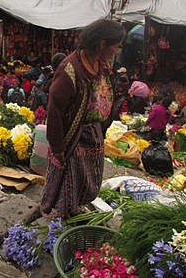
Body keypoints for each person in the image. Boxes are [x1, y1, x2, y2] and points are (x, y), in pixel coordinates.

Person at [41, 19, 125, 218]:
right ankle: (63, 216)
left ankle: (75, 207)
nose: (117, 50)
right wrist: (58, 147)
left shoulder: (101, 63)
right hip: (73, 137)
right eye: (116, 45)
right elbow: (54, 111)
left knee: (87, 178)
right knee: (69, 178)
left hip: (93, 134)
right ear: (102, 43)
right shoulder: (69, 70)